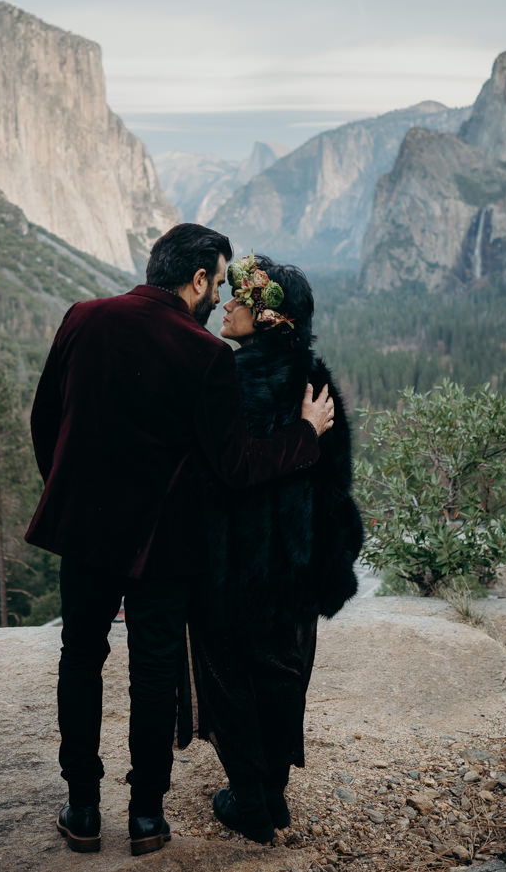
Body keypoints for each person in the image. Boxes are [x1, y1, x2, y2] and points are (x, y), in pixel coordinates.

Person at [24, 224, 336, 856]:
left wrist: (73, 493)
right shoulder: (206, 355)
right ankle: (145, 817)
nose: (220, 294)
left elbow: (44, 419)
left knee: (80, 658)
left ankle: (82, 807)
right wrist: (304, 433)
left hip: (85, 532)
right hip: (163, 547)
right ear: (196, 279)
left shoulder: (82, 318)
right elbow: (235, 465)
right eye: (219, 281)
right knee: (154, 671)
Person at [187, 253, 365, 844]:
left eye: (239, 297)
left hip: (227, 568)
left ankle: (250, 800)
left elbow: (213, 479)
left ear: (268, 317)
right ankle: (274, 795)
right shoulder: (317, 382)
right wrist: (327, 562)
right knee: (286, 673)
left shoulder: (224, 380)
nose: (226, 303)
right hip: (295, 571)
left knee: (227, 676)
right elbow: (335, 487)